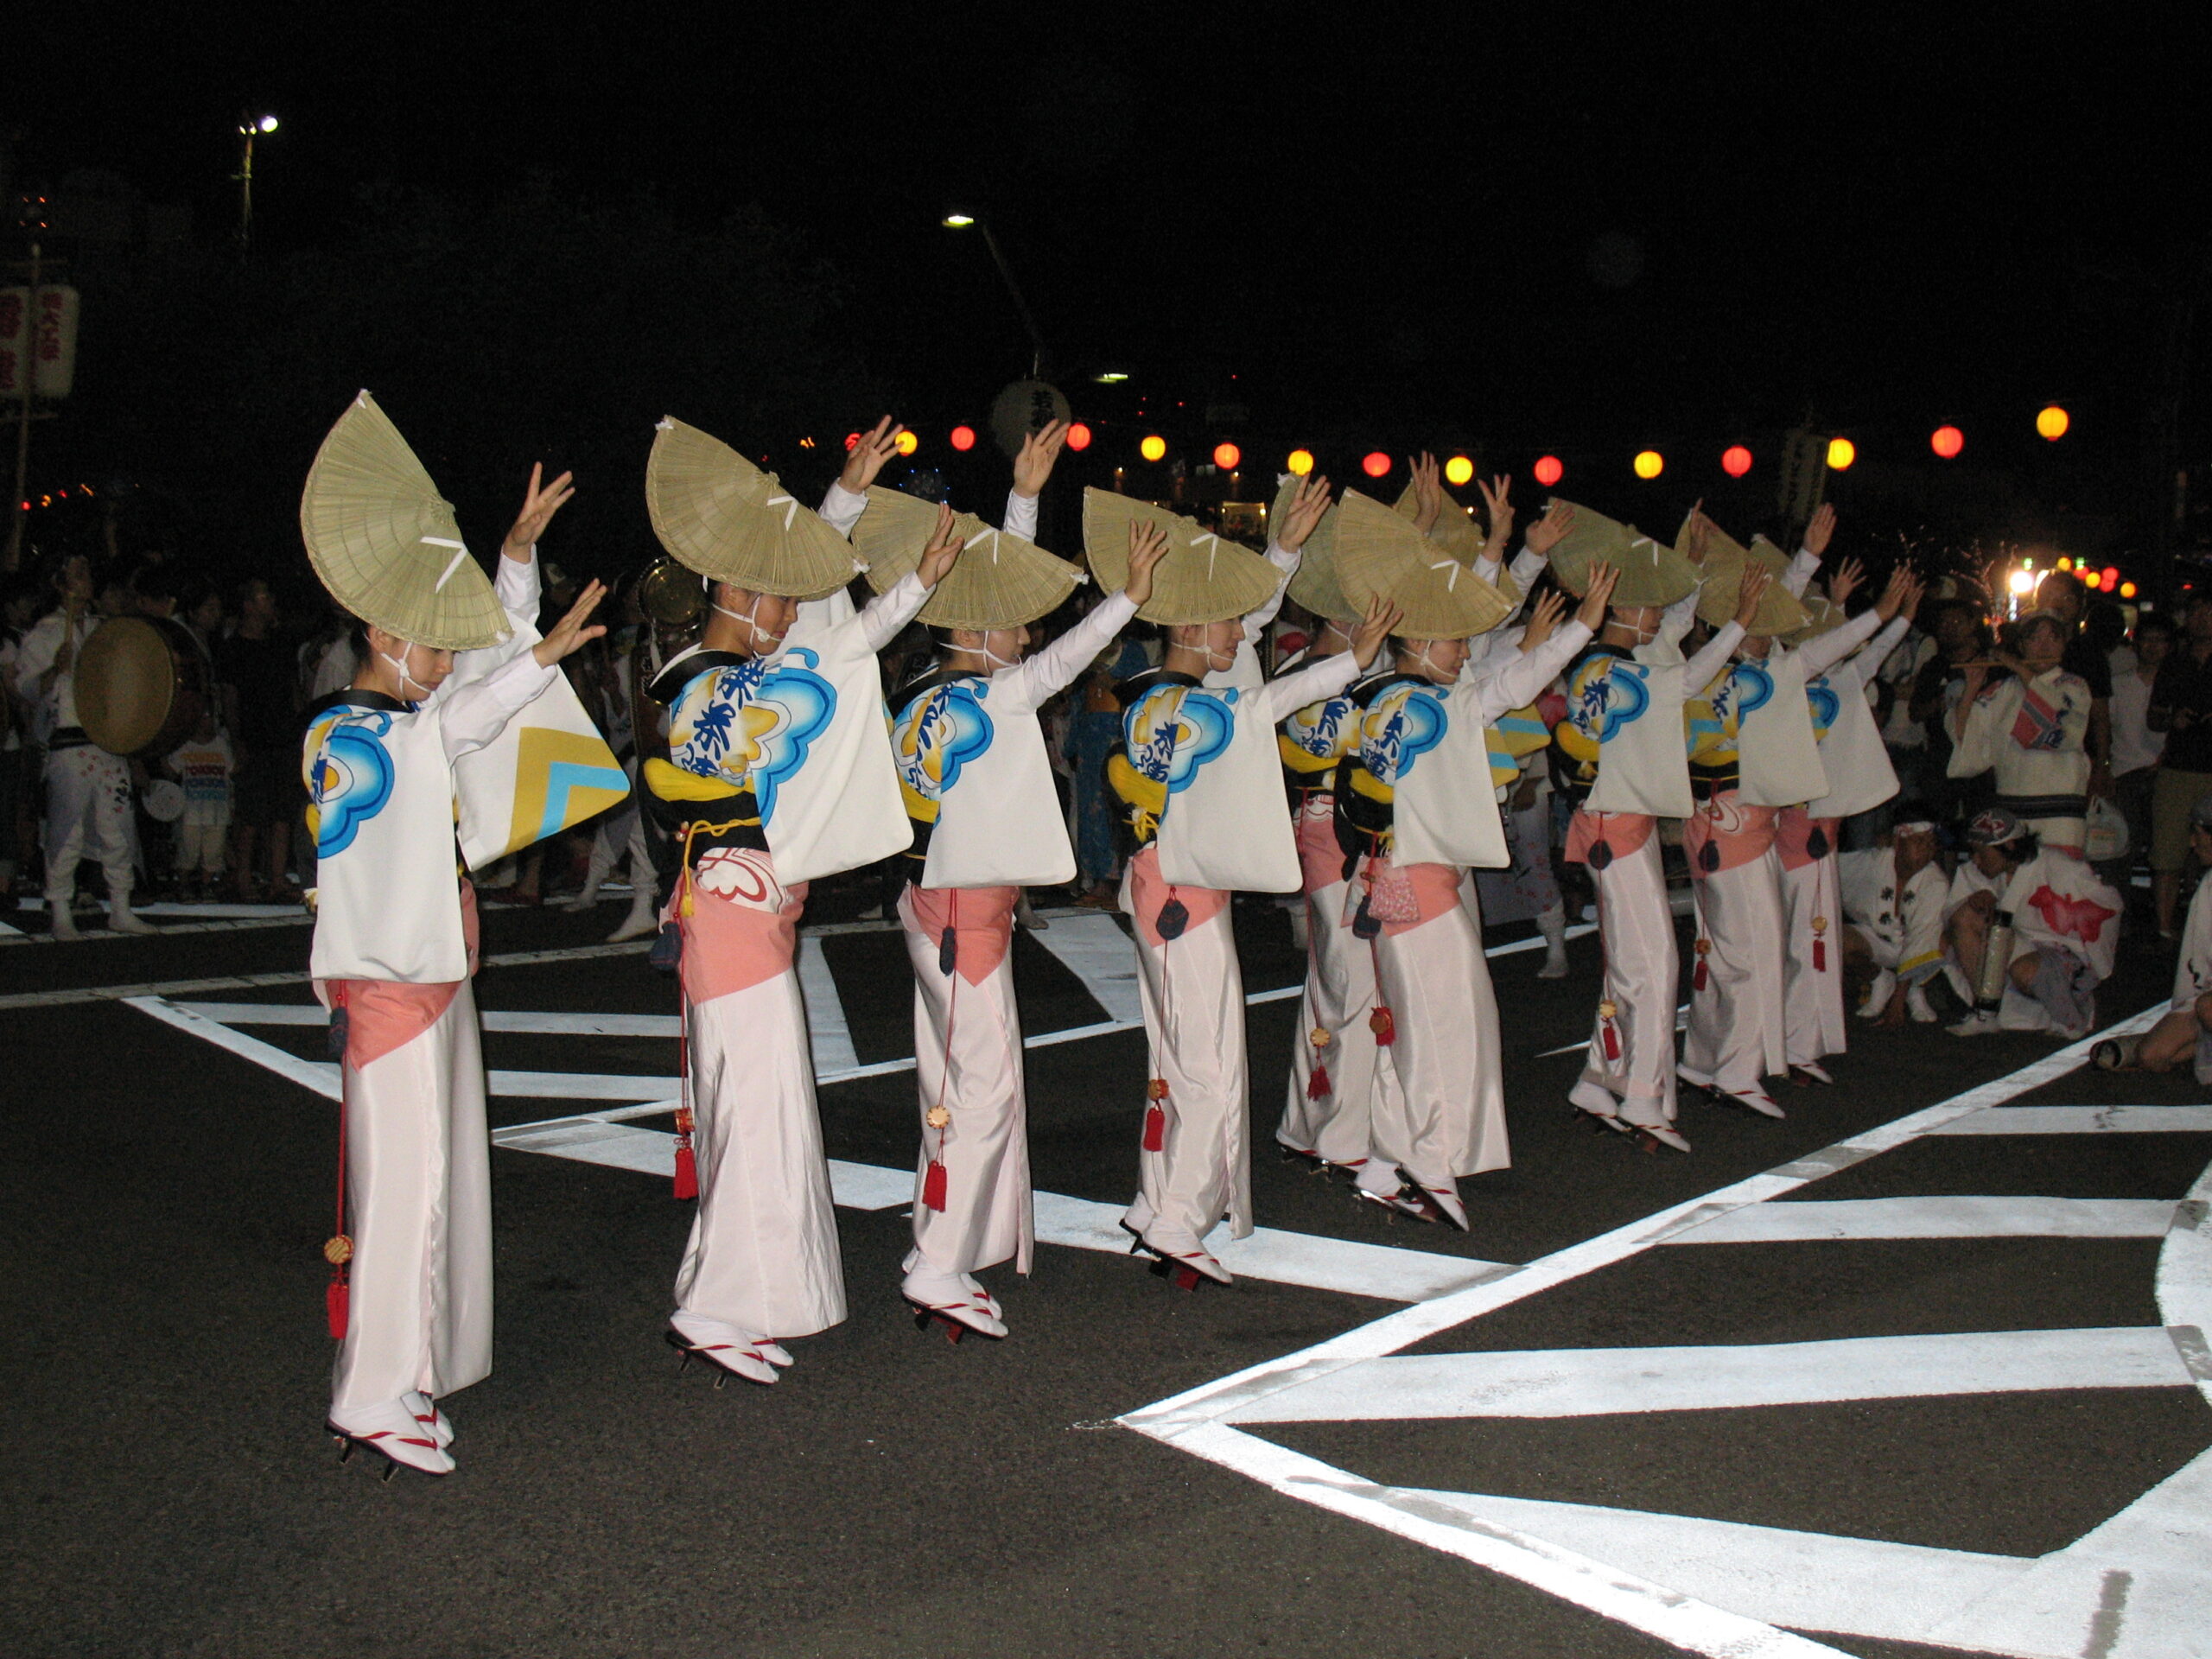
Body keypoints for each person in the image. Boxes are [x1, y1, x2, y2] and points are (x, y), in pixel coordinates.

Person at [300, 397, 603, 1478]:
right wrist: (532, 656)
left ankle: (400, 1376)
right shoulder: (353, 732)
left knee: (428, 1186)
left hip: (421, 976)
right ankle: (375, 1395)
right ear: (381, 638)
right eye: (428, 639)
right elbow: (463, 717)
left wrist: (514, 565)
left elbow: (466, 695)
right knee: (407, 1195)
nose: (444, 655)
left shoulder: (384, 723)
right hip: (395, 986)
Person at [640, 414, 962, 1384]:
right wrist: (863, 538)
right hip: (731, 911)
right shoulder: (701, 686)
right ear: (732, 594)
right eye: (775, 599)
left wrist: (862, 521)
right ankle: (714, 1306)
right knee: (757, 1108)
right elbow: (831, 648)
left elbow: (838, 637)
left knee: (765, 1107)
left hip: (749, 911)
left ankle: (732, 1293)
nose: (788, 616)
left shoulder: (736, 673)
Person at [873, 448, 1162, 1337]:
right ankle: (939, 1262)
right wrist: (1126, 599)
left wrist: (1025, 501)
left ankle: (941, 1235)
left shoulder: (925, 693)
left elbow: (1006, 605)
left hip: (937, 909)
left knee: (955, 1088)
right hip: (965, 918)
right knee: (986, 1090)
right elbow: (1060, 658)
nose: (1026, 636)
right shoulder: (983, 700)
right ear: (977, 633)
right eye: (1010, 627)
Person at [1092, 486, 1395, 1285]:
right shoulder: (1194, 707)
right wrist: (1349, 663)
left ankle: (1156, 1201)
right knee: (1207, 1063)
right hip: (1186, 904)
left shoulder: (1154, 699)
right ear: (1192, 628)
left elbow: (1247, 661)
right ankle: (1180, 1219)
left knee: (1174, 1056)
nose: (1242, 633)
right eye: (1226, 622)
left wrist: (1283, 553)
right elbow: (1263, 702)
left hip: (1159, 892)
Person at [1331, 486, 1612, 1224]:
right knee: (1446, 1029)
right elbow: (1509, 680)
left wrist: (1507, 559)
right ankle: (1427, 1162)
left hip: (1392, 882)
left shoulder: (1377, 692)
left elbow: (1493, 666)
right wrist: (1579, 629)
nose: (1465, 650)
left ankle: (1390, 1162)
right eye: (1454, 641)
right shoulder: (1429, 702)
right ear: (1422, 642)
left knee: (1411, 1027)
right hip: (1420, 892)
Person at [1773, 562, 1923, 1082]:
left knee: (1813, 941)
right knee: (1790, 942)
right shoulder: (1780, 681)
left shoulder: (1837, 680)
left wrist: (1901, 620)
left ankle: (1802, 1044)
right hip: (1785, 831)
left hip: (1822, 833)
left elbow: (1871, 656)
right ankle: (1785, 1046)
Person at [11, 551, 153, 939]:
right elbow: (25, 689)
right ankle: (60, 907)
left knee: (118, 829)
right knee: (66, 829)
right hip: (69, 744)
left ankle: (120, 906)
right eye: (77, 572)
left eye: (86, 570)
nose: (86, 577)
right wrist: (54, 669)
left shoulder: (102, 629)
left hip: (108, 741)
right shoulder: (46, 631)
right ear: (60, 583)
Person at [1942, 808, 2121, 1039]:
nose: (1975, 860)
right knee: (1965, 916)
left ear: (2010, 846)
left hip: (2064, 954)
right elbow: (1956, 918)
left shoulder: (2058, 865)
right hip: (2016, 946)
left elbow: (2106, 905)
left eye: (1981, 853)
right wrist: (1979, 899)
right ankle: (1985, 1012)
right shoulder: (1981, 872)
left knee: (2025, 969)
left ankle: (2069, 1016)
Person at [1948, 610, 2094, 855]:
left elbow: (2060, 721)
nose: (2044, 646)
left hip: (2060, 814)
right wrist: (1972, 687)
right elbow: (1968, 736)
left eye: (2053, 638)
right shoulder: (2002, 690)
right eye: (2035, 638)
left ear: (2063, 644)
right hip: (2013, 810)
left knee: (2059, 887)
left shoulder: (2073, 686)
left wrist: (2014, 665)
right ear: (2021, 645)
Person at [2095, 794, 2212, 1078]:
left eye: (2199, 834)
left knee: (2208, 1007)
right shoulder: (2209, 886)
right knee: (2152, 1055)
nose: (2192, 843)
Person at [222, 577, 303, 902]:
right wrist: (236, 738)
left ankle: (277, 878)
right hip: (253, 738)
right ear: (248, 606)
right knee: (251, 813)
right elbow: (229, 697)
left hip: (283, 736)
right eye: (262, 597)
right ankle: (242, 876)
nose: (269, 601)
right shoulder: (233, 649)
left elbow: (293, 691)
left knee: (283, 812)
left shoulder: (280, 644)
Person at [1839, 817, 1949, 1025]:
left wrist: (1897, 1004)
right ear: (1898, 842)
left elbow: (1920, 939)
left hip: (1916, 947)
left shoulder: (1936, 883)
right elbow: (1831, 868)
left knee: (1940, 940)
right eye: (1919, 842)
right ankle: (1880, 979)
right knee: (1832, 937)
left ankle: (1915, 989)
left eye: (1930, 844)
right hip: (1877, 940)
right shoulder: (1873, 862)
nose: (1926, 850)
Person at [2149, 590, 2212, 938]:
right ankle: (2164, 930)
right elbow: (2154, 717)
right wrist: (2175, 718)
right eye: (2197, 611)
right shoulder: (2175, 663)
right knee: (2168, 853)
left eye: (2209, 611)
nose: (2202, 618)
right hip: (2178, 767)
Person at [2109, 612, 2170, 908]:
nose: (2153, 647)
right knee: (2122, 848)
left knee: (2167, 849)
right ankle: (2122, 911)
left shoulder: (2177, 685)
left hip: (2166, 773)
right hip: (2125, 771)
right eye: (2148, 640)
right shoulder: (2118, 684)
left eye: (2161, 640)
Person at [165, 709, 235, 900]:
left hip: (217, 809)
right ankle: (184, 885)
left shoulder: (221, 745)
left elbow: (232, 769)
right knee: (188, 850)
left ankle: (206, 885)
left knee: (213, 852)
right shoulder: (185, 747)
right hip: (191, 810)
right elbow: (170, 770)